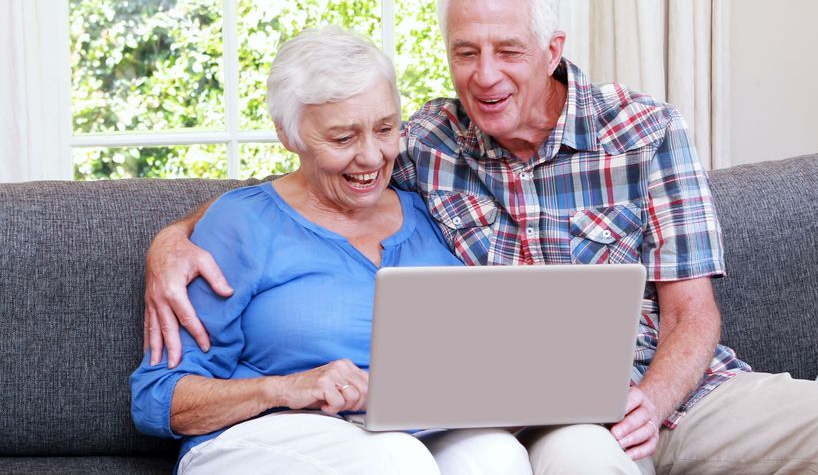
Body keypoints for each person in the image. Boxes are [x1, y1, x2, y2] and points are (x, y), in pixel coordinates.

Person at [144, 0, 818, 474]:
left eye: (508, 51)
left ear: (552, 48)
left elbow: (694, 314)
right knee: (568, 455)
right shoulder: (426, 139)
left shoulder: (645, 130)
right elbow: (307, 179)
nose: (484, 75)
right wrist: (173, 238)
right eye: (464, 52)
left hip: (674, 393)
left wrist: (651, 403)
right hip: (544, 418)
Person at [130, 26, 532, 475]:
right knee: (396, 460)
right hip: (264, 435)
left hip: (412, 431)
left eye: (385, 129)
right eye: (342, 138)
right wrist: (285, 388)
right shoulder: (240, 225)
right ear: (288, 135)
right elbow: (157, 400)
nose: (372, 157)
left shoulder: (435, 213)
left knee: (498, 455)